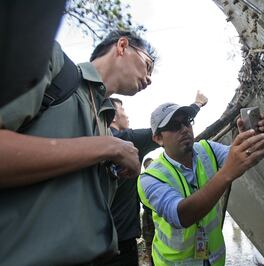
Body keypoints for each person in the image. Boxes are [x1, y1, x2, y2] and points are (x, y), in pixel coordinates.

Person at [0, 30, 155, 265]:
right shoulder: (52, 61)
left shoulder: (104, 120)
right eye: (148, 64)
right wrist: (108, 147)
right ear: (122, 46)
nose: (150, 78)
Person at [137, 102, 264, 265]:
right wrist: (227, 172)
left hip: (213, 259)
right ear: (158, 138)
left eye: (187, 121)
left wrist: (250, 141)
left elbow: (244, 158)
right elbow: (181, 216)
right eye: (174, 125)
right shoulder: (150, 178)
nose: (185, 129)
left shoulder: (207, 149)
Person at [105, 91, 209, 266]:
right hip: (122, 239)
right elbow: (167, 129)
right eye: (122, 109)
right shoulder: (127, 141)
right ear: (113, 116)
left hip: (100, 237)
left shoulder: (98, 145)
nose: (126, 114)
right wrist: (196, 105)